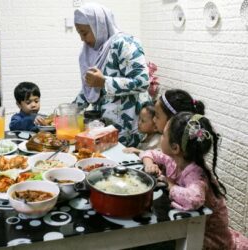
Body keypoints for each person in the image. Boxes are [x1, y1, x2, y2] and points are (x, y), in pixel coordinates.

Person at [140, 112, 248, 249]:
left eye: (164, 135)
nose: (161, 137)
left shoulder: (195, 173)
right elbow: (150, 153)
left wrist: (171, 186)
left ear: (175, 148)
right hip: (192, 225)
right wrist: (149, 163)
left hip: (208, 237)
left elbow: (194, 199)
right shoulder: (174, 159)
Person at [73, 3, 151, 147]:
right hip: (102, 126)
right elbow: (89, 88)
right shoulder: (91, 51)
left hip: (126, 127)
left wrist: (104, 82)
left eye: (84, 33)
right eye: (79, 33)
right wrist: (69, 111)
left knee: (121, 166)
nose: (82, 39)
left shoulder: (125, 44)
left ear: (99, 26)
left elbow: (143, 81)